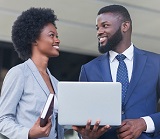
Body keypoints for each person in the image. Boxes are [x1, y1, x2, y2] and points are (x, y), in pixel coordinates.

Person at [73, 4, 160, 139]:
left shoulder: (156, 63)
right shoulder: (89, 69)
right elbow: (82, 121)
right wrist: (86, 135)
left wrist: (144, 123)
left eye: (105, 25)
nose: (99, 31)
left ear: (125, 26)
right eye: (97, 28)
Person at [0, 7, 64, 139]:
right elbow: (3, 120)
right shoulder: (19, 73)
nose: (57, 40)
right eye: (52, 35)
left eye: (57, 36)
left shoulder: (57, 83)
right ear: (34, 39)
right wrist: (29, 134)